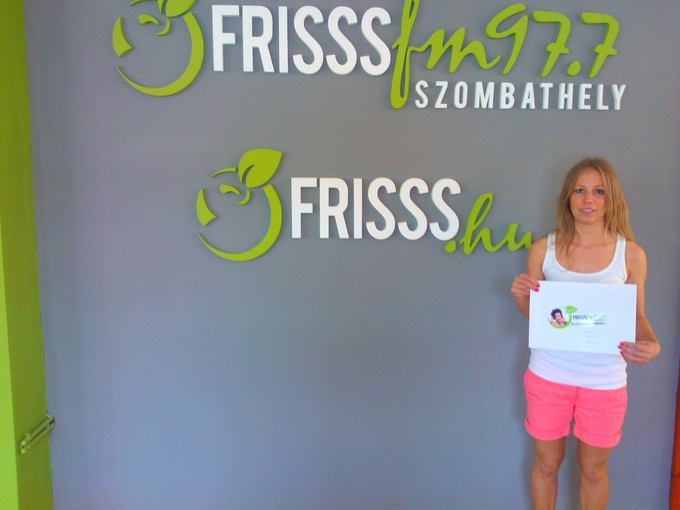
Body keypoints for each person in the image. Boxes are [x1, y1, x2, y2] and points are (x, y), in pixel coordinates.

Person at [510, 157, 660, 510]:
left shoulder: (631, 255)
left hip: (604, 381)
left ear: (612, 199)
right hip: (549, 375)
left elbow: (636, 315)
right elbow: (537, 318)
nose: (588, 199)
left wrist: (651, 344)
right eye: (579, 190)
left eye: (598, 191)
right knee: (546, 464)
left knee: (593, 470)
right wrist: (521, 297)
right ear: (568, 196)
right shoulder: (542, 250)